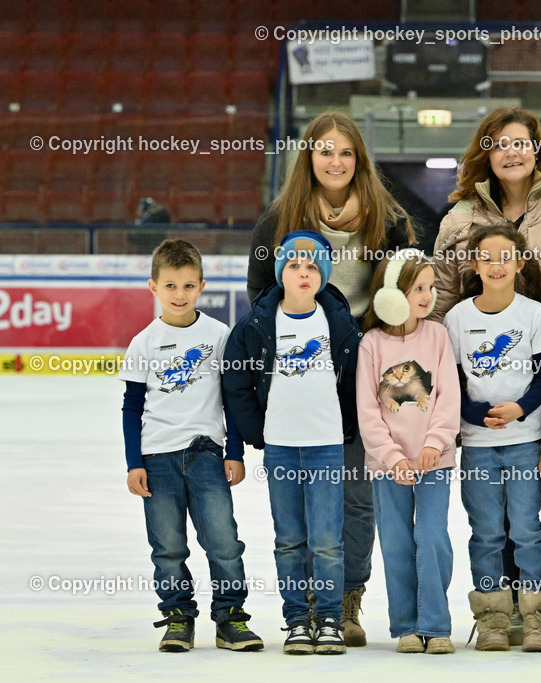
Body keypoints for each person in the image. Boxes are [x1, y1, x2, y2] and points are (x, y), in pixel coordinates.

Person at [246, 112, 417, 645]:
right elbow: (259, 300)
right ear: (309, 158)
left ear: (358, 158)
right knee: (304, 499)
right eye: (325, 151)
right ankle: (305, 606)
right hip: (304, 377)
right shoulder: (279, 221)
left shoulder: (387, 220)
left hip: (363, 373)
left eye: (345, 152)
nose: (335, 161)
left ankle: (346, 599)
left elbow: (402, 293)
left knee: (357, 495)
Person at [119, 239, 262, 653]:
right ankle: (178, 617)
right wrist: (134, 462)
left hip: (205, 455)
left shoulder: (219, 336)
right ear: (153, 287)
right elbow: (131, 408)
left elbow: (233, 399)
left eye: (187, 286)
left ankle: (231, 617)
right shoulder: (143, 343)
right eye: (170, 286)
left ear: (201, 286)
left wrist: (234, 450)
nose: (179, 295)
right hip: (157, 458)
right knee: (167, 547)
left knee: (223, 541)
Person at [224, 231, 361, 654]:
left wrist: (350, 427)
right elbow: (236, 382)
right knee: (289, 539)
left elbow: (356, 381)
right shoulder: (258, 324)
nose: (303, 273)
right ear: (281, 271)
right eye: (294, 266)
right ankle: (297, 620)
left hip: (326, 446)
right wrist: (256, 434)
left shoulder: (337, 321)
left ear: (324, 274)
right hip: (282, 445)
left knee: (326, 540)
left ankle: (329, 619)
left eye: (313, 266)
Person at [443, 223, 541, 652]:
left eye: (504, 258)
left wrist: (521, 408)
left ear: (520, 263)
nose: (496, 266)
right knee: (488, 531)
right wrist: (476, 413)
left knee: (527, 529)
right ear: (475, 264)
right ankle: (493, 615)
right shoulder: (457, 318)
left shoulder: (532, 313)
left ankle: (535, 618)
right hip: (477, 444)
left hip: (525, 439)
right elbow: (450, 380)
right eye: (487, 258)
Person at [356, 249, 461, 655]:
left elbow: (447, 397)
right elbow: (368, 410)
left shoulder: (436, 336)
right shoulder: (372, 344)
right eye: (418, 287)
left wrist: (435, 443)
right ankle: (406, 625)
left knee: (431, 536)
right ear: (392, 292)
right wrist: (392, 456)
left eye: (431, 287)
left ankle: (435, 624)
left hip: (435, 461)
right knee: (397, 542)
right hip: (388, 466)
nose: (427, 295)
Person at [430, 106, 541, 321]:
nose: (511, 152)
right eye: (499, 146)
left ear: (536, 150)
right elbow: (440, 308)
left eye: (520, 143)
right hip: (483, 350)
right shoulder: (459, 222)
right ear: (486, 157)